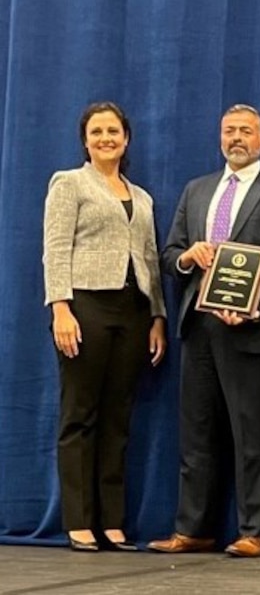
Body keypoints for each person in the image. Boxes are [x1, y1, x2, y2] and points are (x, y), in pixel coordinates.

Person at [151, 104, 260, 558]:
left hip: (250, 331)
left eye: (246, 131)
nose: (236, 138)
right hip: (197, 326)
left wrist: (255, 307)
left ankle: (255, 529)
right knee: (195, 434)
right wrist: (186, 257)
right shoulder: (196, 190)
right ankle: (192, 528)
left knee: (250, 435)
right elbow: (169, 255)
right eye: (228, 131)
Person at [42, 101, 167, 552]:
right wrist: (60, 308)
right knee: (80, 414)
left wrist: (158, 317)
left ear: (126, 138)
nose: (105, 138)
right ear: (85, 140)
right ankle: (79, 520)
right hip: (85, 306)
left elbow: (151, 258)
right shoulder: (69, 184)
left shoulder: (143, 196)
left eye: (113, 131)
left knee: (118, 418)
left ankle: (111, 519)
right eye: (97, 132)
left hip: (133, 311)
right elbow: (55, 249)